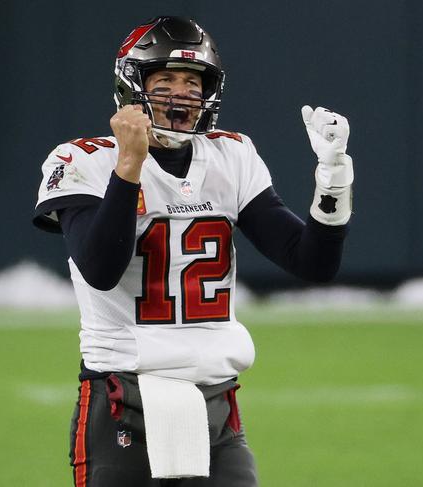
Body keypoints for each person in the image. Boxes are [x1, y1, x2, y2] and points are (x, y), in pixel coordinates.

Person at [33, 15, 353, 487]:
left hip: (214, 402)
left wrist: (333, 184)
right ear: (133, 85)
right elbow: (100, 268)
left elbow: (311, 262)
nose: (180, 94)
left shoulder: (231, 155)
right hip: (124, 398)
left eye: (192, 82)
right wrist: (129, 165)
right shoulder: (82, 160)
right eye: (164, 80)